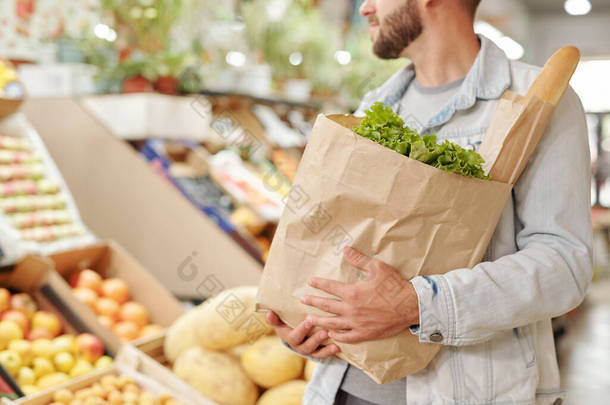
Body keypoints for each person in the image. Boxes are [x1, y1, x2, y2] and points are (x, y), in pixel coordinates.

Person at [265, 0, 593, 404]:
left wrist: (419, 305)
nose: (364, 8)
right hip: (342, 387)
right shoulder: (374, 107)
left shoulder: (537, 102)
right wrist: (306, 323)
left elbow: (563, 265)